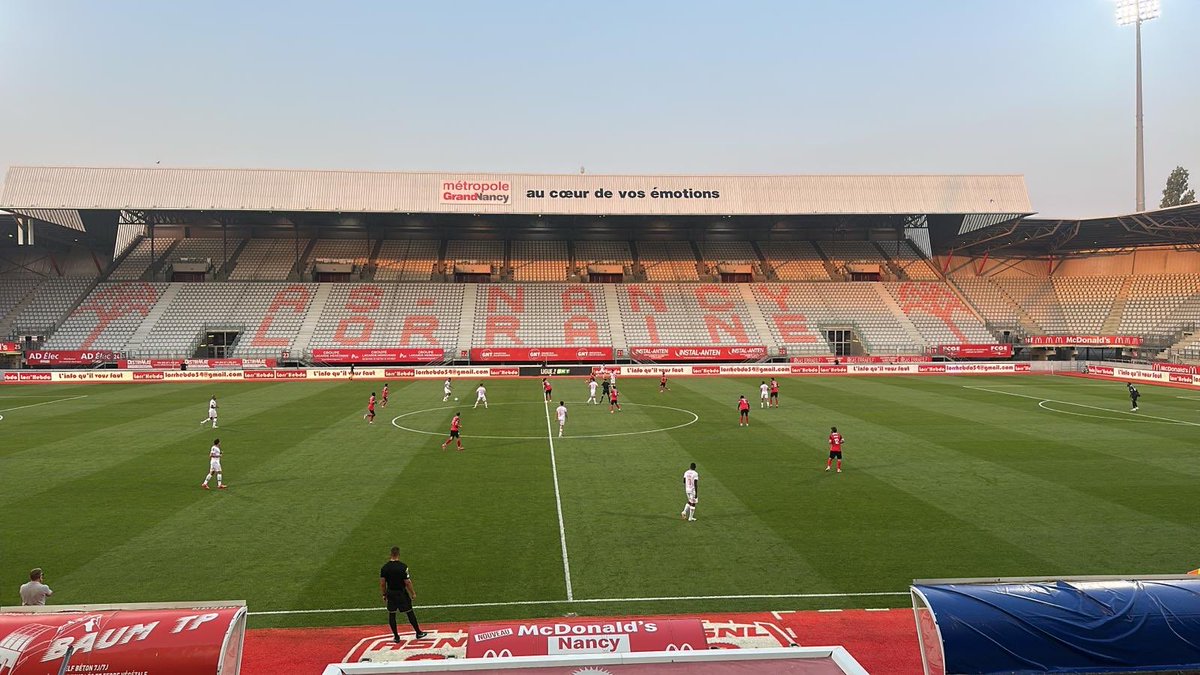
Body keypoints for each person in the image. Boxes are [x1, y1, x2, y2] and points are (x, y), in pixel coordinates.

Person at [380, 546, 428, 642]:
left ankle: (396, 636)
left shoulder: (384, 568)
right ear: (398, 554)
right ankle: (418, 632)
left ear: (391, 554)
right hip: (401, 593)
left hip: (391, 593)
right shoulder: (403, 567)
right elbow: (407, 582)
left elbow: (382, 583)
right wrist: (413, 593)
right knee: (409, 612)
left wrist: (384, 594)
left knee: (392, 614)